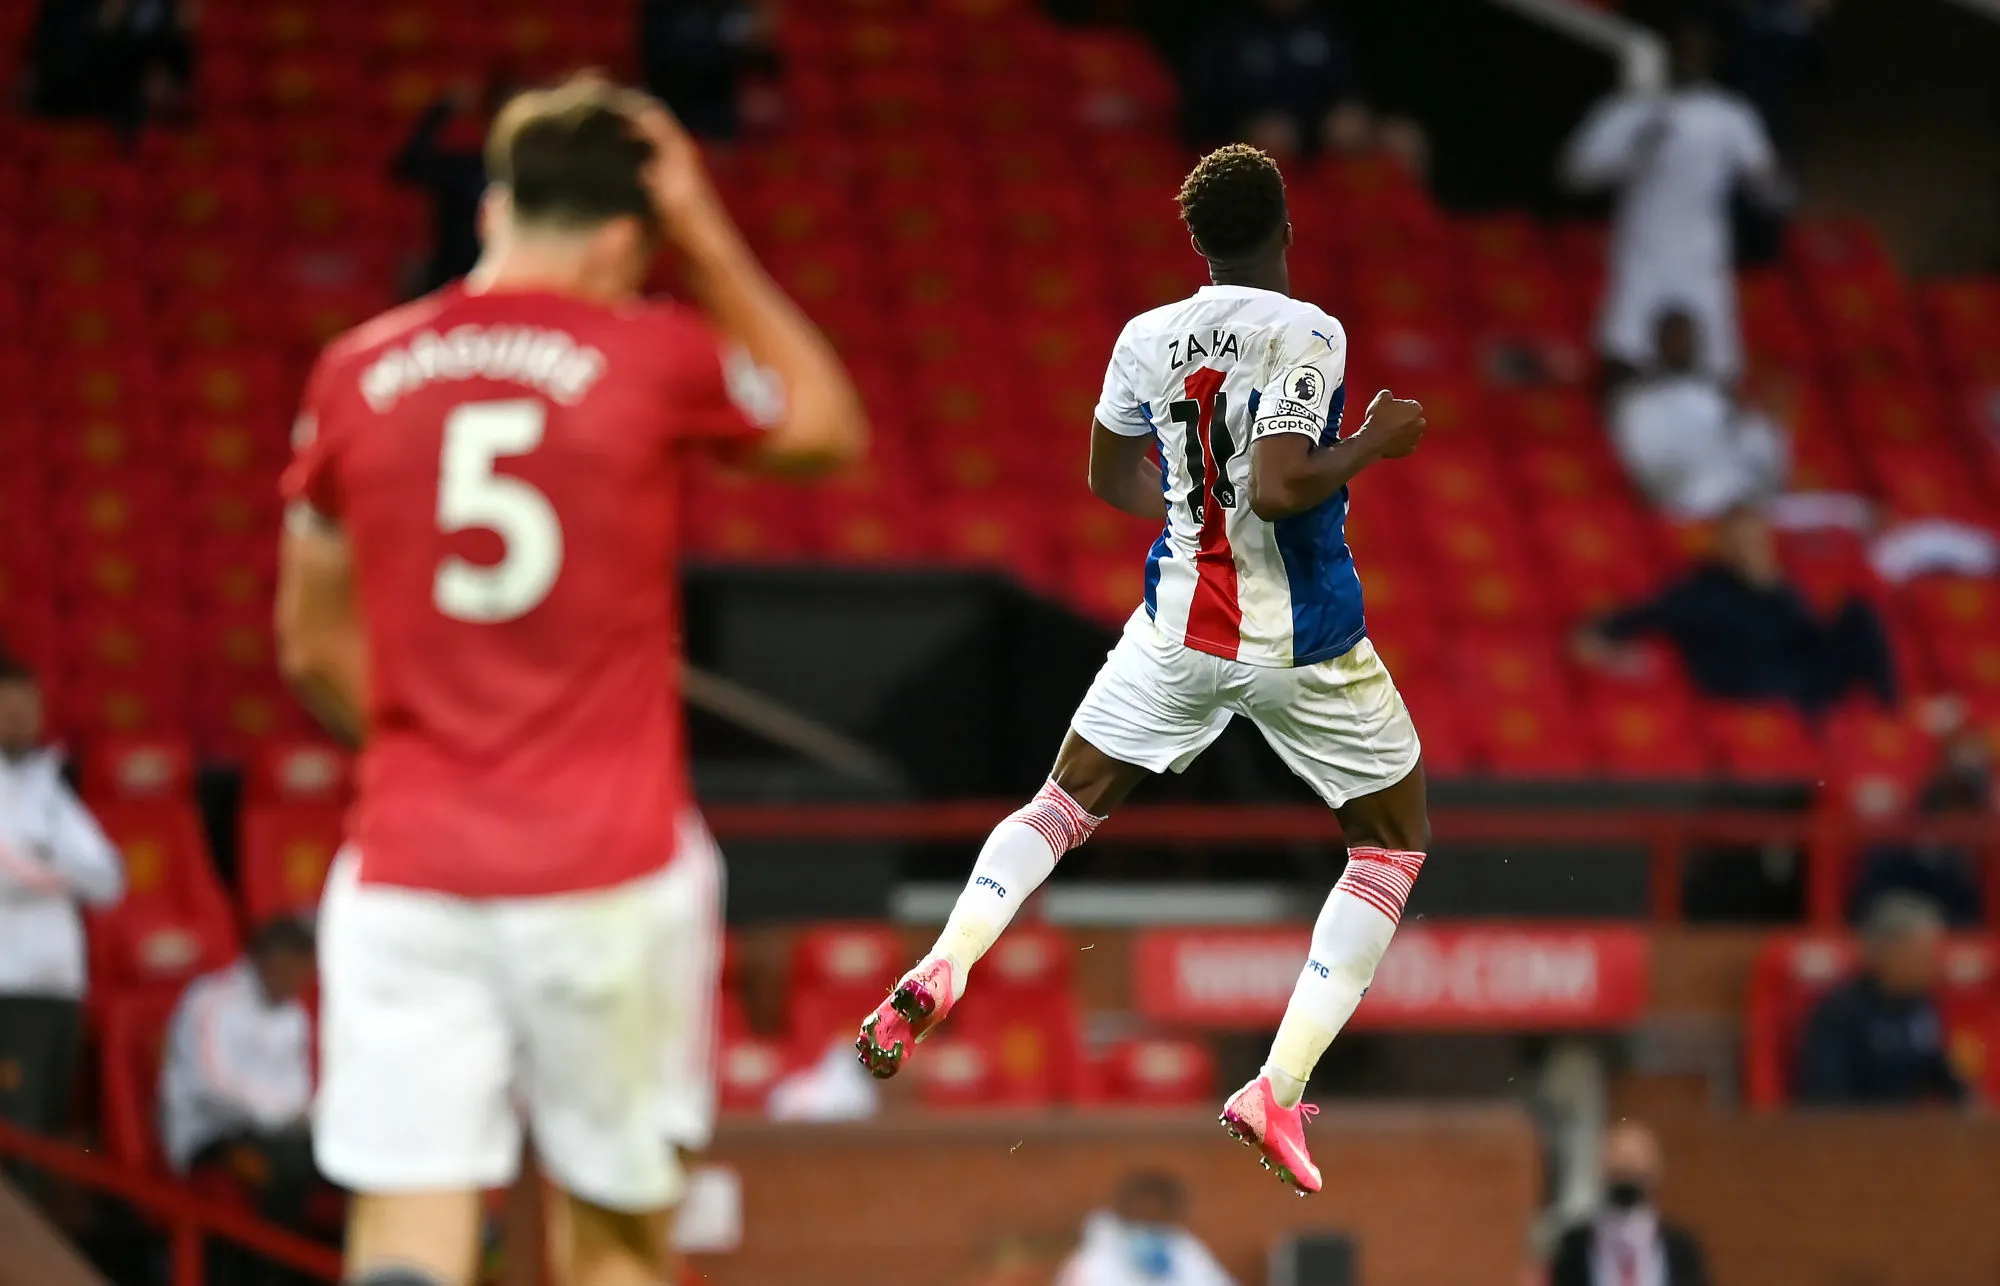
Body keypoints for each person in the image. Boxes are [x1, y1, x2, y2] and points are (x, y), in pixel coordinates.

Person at [274, 74, 866, 1286]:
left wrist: (431, 749)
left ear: (492, 208)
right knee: (615, 1242)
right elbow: (824, 425)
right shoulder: (650, 353)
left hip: (411, 867)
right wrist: (706, 237)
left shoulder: (354, 372)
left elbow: (308, 642)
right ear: (621, 238)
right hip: (609, 873)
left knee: (404, 1234)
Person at [856, 144, 1431, 1197]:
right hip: (1303, 641)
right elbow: (1280, 485)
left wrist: (1190, 525)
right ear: (1285, 230)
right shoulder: (1307, 331)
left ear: (1197, 243)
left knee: (1061, 803)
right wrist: (1370, 443)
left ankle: (947, 957)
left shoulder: (1143, 335)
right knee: (1388, 844)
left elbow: (1105, 471)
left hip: (1176, 627)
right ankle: (1276, 1085)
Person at [1563, 21, 1787, 387]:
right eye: (1682, 51)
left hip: (1701, 260)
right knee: (1626, 361)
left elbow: (1772, 191)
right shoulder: (1630, 109)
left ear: (1712, 59)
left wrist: (1772, 181)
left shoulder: (1731, 116)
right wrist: (1638, 143)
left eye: (1697, 52)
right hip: (1642, 256)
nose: (1688, 60)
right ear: (1668, 55)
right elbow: (1575, 172)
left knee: (1715, 368)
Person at [1573, 505, 1896, 716]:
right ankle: (1880, 718)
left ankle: (1891, 713)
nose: (1751, 548)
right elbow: (1620, 625)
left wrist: (1772, 586)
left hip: (1798, 674)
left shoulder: (1780, 587)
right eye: (1741, 540)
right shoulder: (1699, 591)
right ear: (1723, 545)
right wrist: (1614, 657)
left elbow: (1804, 632)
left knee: (1859, 614)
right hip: (1746, 680)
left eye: (1757, 539)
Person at [0, 656, 125, 1187]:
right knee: (16, 1141)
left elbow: (110, 878)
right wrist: (62, 871)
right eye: (8, 707)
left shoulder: (49, 787)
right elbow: (9, 877)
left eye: (28, 707)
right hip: (9, 988)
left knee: (46, 1140)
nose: (19, 719)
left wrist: (45, 862)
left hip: (60, 985)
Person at [159, 919, 320, 1286]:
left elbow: (296, 1086)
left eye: (305, 972)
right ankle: (268, 1278)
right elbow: (212, 1085)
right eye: (293, 969)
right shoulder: (212, 1000)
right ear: (265, 959)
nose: (299, 981)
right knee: (285, 1165)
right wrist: (284, 1114)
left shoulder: (293, 1012)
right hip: (209, 1134)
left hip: (276, 1132)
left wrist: (303, 1115)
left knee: (335, 1158)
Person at [1182, 0, 1422, 169]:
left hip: (1323, 143)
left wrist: (1353, 112)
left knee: (1404, 137)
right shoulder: (1225, 32)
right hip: (1256, 151)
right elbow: (1203, 114)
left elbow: (1353, 91)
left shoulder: (1327, 26)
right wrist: (1245, 130)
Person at [1794, 892, 1971, 1105]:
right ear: (1886, 952)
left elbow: (1946, 1076)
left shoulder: (1922, 1007)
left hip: (1907, 1124)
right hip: (1853, 1122)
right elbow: (1825, 1099)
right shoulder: (1839, 1013)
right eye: (1922, 957)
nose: (1932, 968)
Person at [1610, 309, 1786, 520]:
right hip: (1685, 497)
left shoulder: (1716, 394)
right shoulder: (1638, 402)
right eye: (1675, 337)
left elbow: (1752, 446)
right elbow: (1648, 472)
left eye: (1688, 337)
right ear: (1658, 342)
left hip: (1739, 493)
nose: (1683, 344)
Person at [1550, 1122, 1711, 1286]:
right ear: (1602, 1170)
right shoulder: (1574, 1248)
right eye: (1619, 1171)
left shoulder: (1682, 1250)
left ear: (1655, 1171)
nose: (1627, 1174)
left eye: (1635, 1170)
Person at [392, 79, 513, 296]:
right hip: (451, 282)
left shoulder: (541, 179)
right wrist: (442, 110)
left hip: (511, 286)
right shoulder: (464, 170)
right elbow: (408, 165)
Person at [1054, 1171, 1235, 1286]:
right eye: (1142, 1219)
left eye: (1157, 1222)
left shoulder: (1188, 1254)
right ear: (1124, 1217)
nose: (1150, 1231)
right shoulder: (1088, 1264)